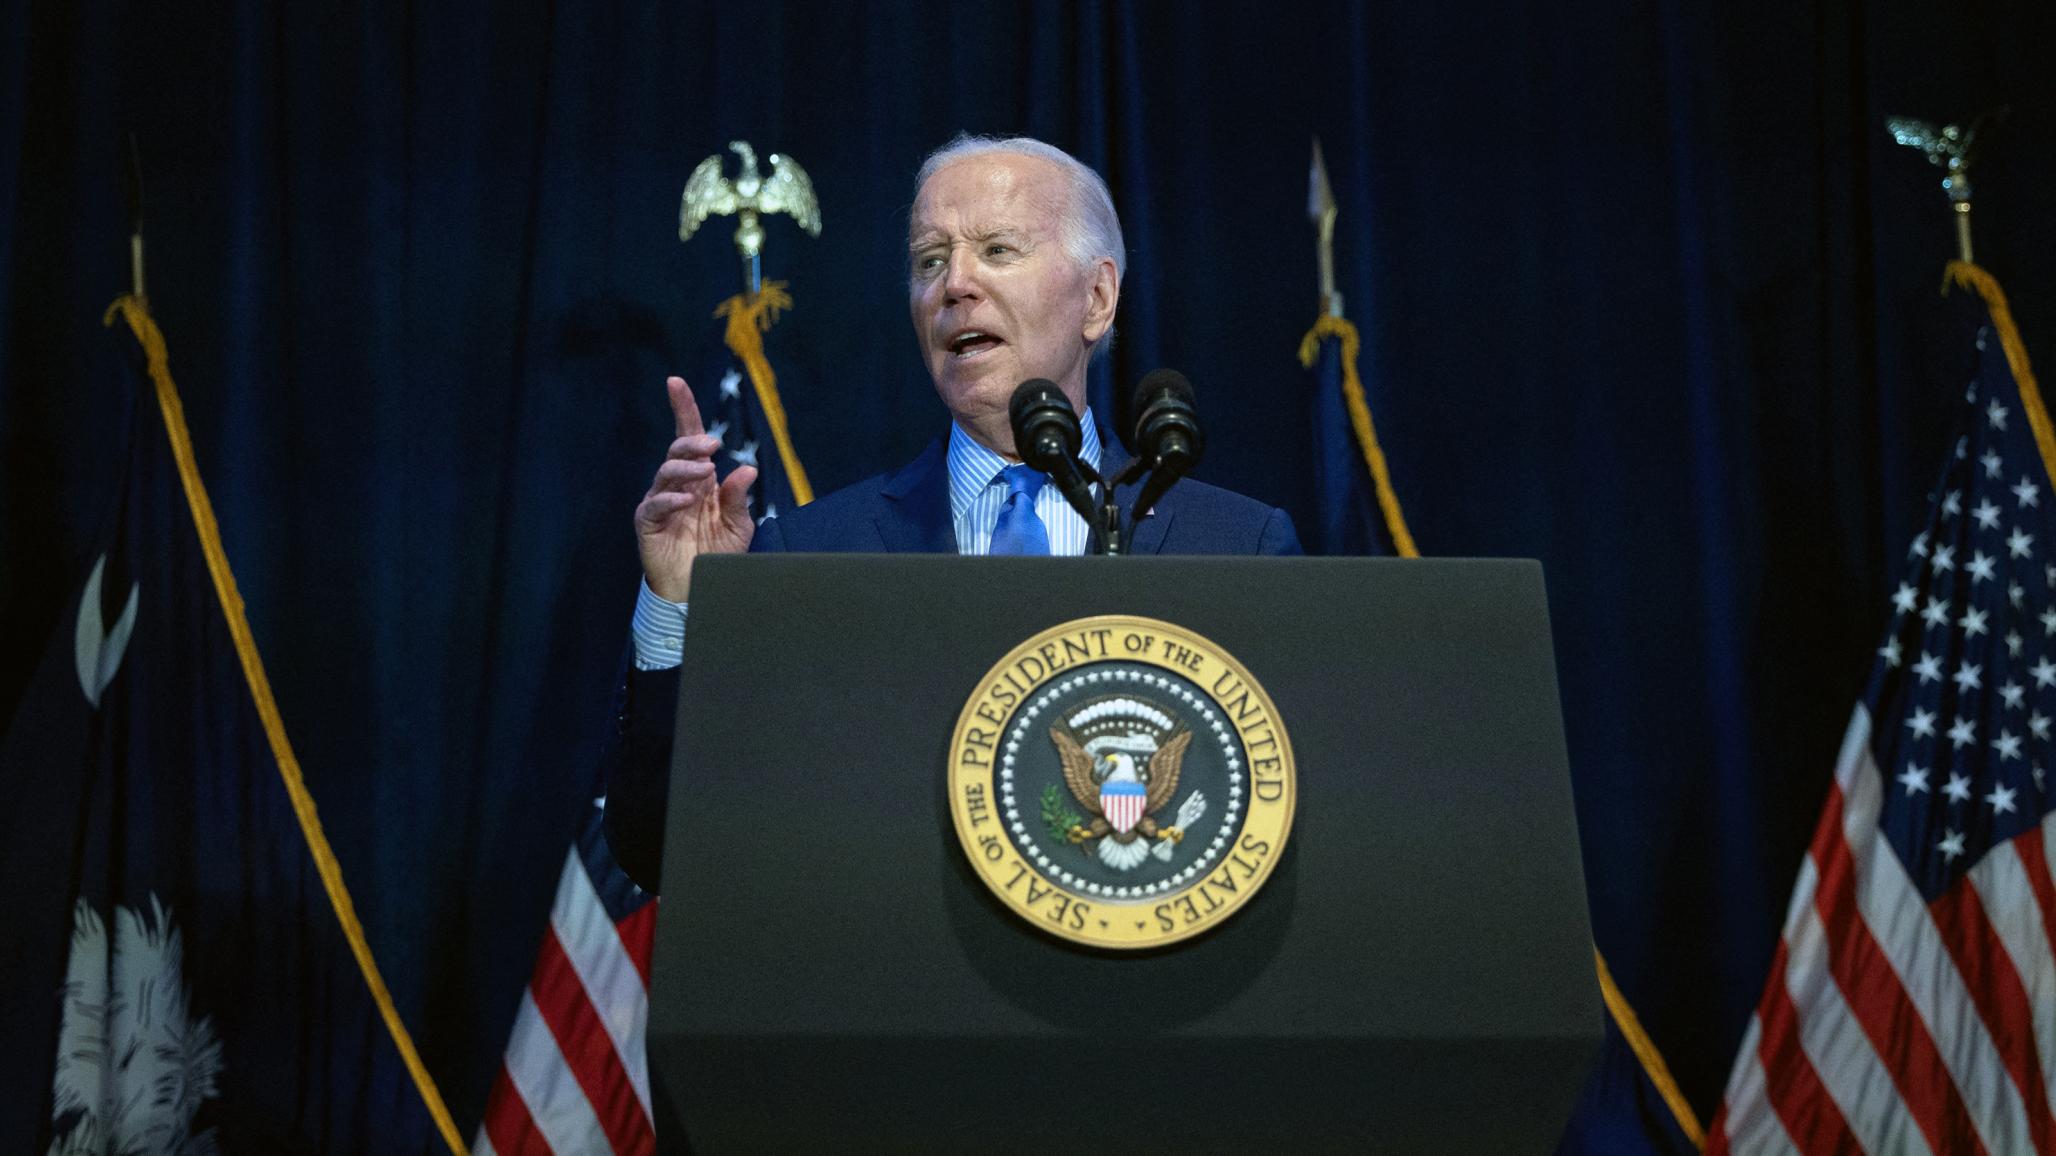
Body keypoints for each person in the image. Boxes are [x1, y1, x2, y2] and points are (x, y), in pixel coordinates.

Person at [606, 135, 1301, 891]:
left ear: (1097, 299)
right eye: (930, 261)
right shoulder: (813, 554)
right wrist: (677, 606)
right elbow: (658, 845)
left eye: (998, 249)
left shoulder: (1237, 546)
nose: (955, 284)